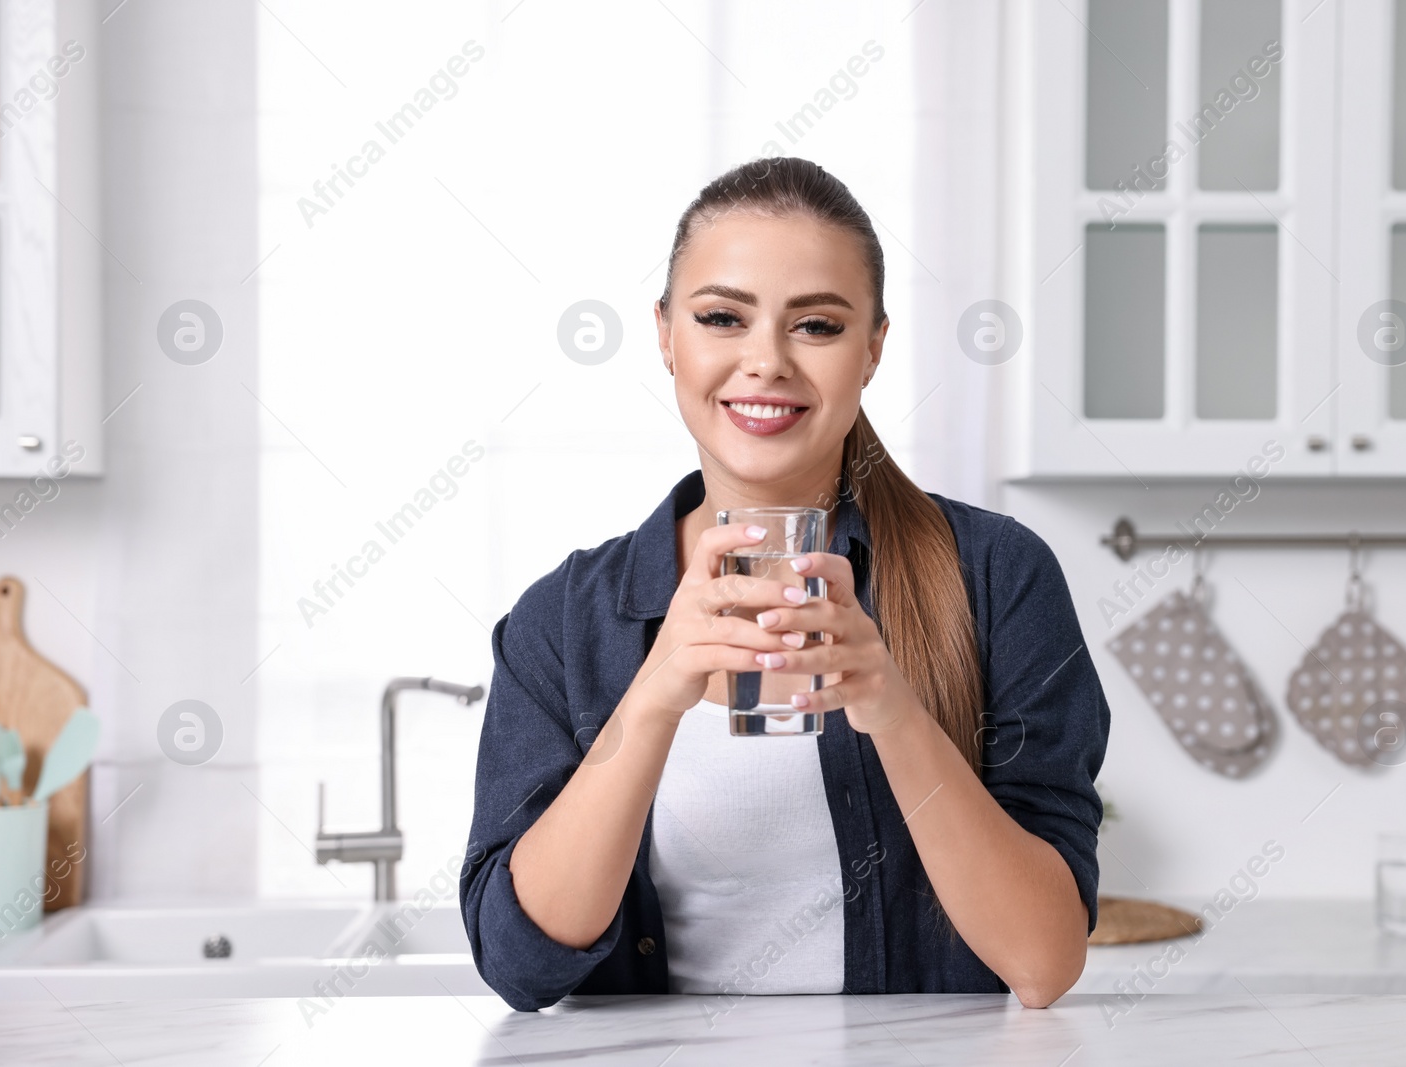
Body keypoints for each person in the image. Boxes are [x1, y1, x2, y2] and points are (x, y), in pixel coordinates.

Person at [458, 156, 1110, 1012]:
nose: (764, 362)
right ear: (665, 335)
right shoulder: (566, 622)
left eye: (817, 326)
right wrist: (652, 697)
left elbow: (1043, 960)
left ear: (873, 347)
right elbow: (520, 968)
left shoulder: (995, 575)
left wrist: (892, 709)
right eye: (722, 317)